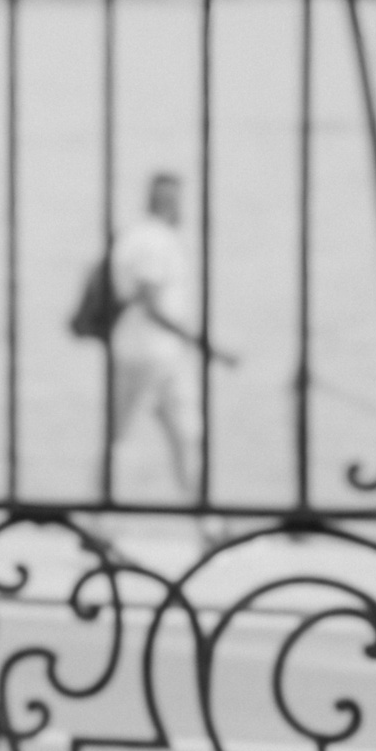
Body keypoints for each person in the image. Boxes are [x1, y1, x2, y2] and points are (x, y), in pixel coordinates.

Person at [100, 169, 238, 502]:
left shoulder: (136, 236)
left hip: (157, 352)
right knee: (127, 436)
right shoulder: (153, 240)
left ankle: (204, 514)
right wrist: (204, 344)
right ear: (170, 202)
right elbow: (149, 303)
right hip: (148, 351)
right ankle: (99, 516)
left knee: (184, 434)